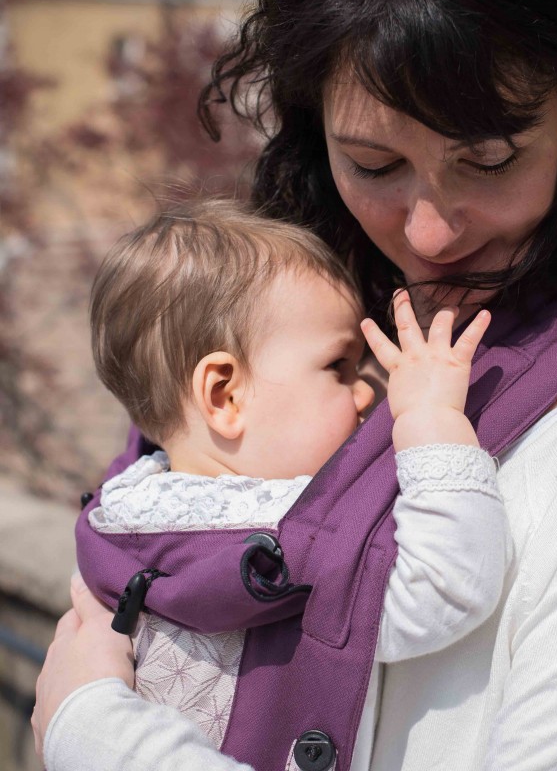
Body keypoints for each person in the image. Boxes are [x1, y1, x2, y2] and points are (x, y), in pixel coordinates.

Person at [33, 0, 557, 769]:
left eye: (489, 160)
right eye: (374, 164)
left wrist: (95, 734)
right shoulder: (284, 334)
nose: (429, 233)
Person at [75, 199, 507, 767]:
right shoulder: (277, 549)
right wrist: (434, 423)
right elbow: (442, 591)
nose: (366, 394)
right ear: (225, 395)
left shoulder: (121, 521)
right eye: (338, 367)